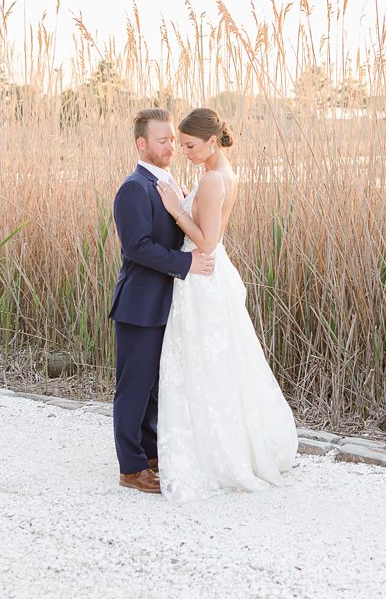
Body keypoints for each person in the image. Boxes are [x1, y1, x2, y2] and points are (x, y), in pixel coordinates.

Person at [152, 107, 297, 500]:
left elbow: (207, 242)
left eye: (190, 145)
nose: (184, 151)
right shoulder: (219, 172)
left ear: (211, 142)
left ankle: (213, 452)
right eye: (180, 145)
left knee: (203, 361)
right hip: (208, 275)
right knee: (214, 362)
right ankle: (219, 441)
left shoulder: (215, 179)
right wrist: (187, 200)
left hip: (203, 275)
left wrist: (176, 210)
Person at [108, 107, 215, 493]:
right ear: (142, 143)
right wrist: (186, 263)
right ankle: (130, 467)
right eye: (162, 140)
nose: (171, 145)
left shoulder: (171, 183)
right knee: (134, 386)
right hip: (140, 305)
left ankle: (151, 454)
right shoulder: (133, 188)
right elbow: (137, 247)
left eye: (173, 139)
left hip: (168, 304)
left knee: (157, 386)